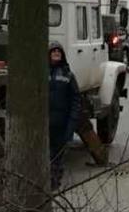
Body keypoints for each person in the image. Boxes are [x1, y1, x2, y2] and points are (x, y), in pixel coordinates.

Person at [48, 42, 81, 192]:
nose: (56, 53)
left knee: (57, 158)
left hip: (61, 125)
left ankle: (54, 186)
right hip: (44, 125)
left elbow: (75, 100)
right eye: (53, 51)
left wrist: (72, 124)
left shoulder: (68, 75)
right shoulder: (42, 73)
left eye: (58, 51)